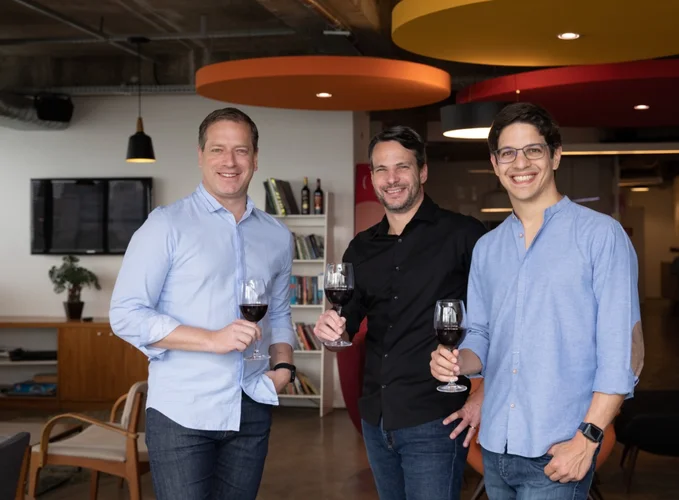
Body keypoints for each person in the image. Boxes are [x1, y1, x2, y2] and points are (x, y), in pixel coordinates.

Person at [430, 102, 645, 499]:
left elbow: (622, 353)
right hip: (496, 446)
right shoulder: (487, 248)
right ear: (495, 164)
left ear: (556, 154)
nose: (520, 163)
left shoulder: (601, 236)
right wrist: (460, 361)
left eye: (533, 150)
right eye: (508, 153)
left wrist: (589, 438)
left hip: (558, 448)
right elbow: (479, 332)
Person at [110, 107, 296, 500]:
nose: (229, 162)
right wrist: (212, 339)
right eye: (217, 149)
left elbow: (279, 312)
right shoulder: (165, 225)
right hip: (182, 412)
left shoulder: (277, 235)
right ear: (200, 156)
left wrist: (284, 366)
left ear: (256, 158)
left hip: (251, 403)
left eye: (241, 150)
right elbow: (125, 314)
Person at [313, 125, 488, 500]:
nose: (391, 179)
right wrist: (331, 335)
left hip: (436, 418)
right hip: (376, 418)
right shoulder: (360, 249)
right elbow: (345, 330)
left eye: (402, 167)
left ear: (422, 171)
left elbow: (501, 322)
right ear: (372, 177)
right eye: (381, 169)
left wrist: (481, 394)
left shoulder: (464, 235)